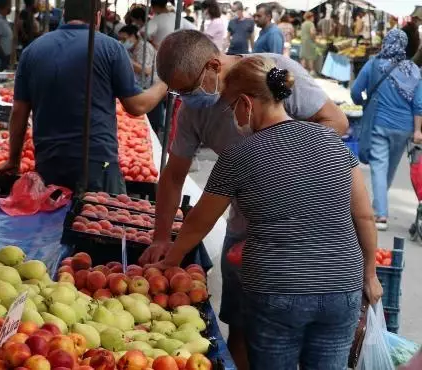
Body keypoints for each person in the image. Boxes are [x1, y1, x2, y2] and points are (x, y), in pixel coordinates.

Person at [146, 55, 383, 370]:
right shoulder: (332, 141)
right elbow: (364, 216)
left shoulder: (239, 155)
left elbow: (199, 222)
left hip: (277, 287)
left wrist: (171, 260)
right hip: (342, 286)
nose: (233, 116)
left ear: (245, 103)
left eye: (232, 108)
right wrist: (370, 274)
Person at [0, 0, 168, 193]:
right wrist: (164, 83)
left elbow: (19, 112)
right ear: (97, 17)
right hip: (98, 164)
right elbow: (136, 106)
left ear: (64, 15)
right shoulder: (111, 48)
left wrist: (13, 161)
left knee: (51, 220)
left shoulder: (32, 51)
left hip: (49, 163)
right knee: (99, 217)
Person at [351, 29, 422, 231]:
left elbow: (356, 91)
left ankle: (381, 215)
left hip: (379, 123)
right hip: (404, 128)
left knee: (379, 167)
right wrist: (417, 130)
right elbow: (419, 104)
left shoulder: (374, 64)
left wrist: (363, 103)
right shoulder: (413, 70)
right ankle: (378, 207)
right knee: (388, 169)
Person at [118, 25, 163, 133]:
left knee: (151, 120)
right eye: (121, 39)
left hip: (151, 86)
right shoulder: (129, 48)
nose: (122, 42)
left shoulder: (144, 47)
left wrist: (125, 59)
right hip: (139, 85)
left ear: (133, 36)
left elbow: (146, 71)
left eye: (124, 39)